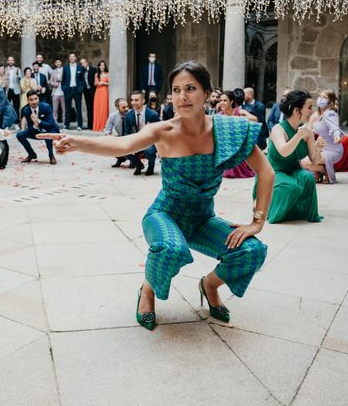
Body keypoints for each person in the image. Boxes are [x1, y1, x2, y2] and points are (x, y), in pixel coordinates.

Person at [37, 61, 273, 330]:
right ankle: (147, 291)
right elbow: (121, 144)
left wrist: (257, 221)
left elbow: (266, 172)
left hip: (202, 220)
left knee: (251, 251)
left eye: (191, 88)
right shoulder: (163, 130)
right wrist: (78, 141)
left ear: (207, 93)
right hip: (164, 215)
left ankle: (209, 285)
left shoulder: (229, 129)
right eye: (176, 90)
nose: (182, 96)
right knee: (171, 249)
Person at [256, 91, 324, 223]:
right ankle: (269, 209)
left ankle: (299, 211)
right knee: (290, 186)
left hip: (293, 170)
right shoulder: (278, 129)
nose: (312, 111)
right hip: (274, 171)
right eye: (309, 107)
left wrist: (317, 148)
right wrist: (298, 136)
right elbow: (283, 151)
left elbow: (314, 160)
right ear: (297, 110)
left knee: (309, 178)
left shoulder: (307, 131)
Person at [301, 90, 343, 184]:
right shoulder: (317, 115)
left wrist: (337, 135)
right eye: (320, 96)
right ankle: (320, 171)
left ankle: (325, 171)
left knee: (304, 162)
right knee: (303, 158)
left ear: (330, 102)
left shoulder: (330, 114)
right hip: (322, 148)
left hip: (333, 150)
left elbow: (334, 128)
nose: (321, 99)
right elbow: (310, 130)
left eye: (325, 97)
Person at [218, 91, 257, 178]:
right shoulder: (219, 115)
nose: (222, 103)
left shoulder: (239, 111)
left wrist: (239, 118)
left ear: (231, 102)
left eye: (225, 100)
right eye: (220, 100)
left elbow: (255, 119)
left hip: (238, 143)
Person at [17, 90, 60, 165]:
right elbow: (30, 129)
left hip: (50, 130)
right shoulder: (26, 110)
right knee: (19, 135)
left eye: (35, 99)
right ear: (27, 100)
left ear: (38, 99)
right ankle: (31, 154)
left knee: (47, 134)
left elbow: (51, 125)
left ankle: (51, 155)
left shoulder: (46, 107)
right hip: (37, 131)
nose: (34, 102)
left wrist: (38, 121)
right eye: (31, 100)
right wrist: (35, 125)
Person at [124, 90, 160, 176]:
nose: (133, 102)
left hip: (149, 141)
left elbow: (159, 132)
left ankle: (151, 167)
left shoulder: (153, 114)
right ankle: (139, 165)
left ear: (143, 101)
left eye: (136, 100)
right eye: (132, 100)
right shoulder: (128, 115)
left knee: (150, 151)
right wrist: (128, 143)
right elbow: (126, 132)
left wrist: (148, 129)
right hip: (135, 140)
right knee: (123, 149)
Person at [61, 52, 85, 130]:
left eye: (73, 56)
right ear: (69, 59)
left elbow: (82, 80)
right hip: (68, 90)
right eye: (70, 57)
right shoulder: (65, 67)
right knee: (67, 108)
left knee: (79, 108)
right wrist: (64, 89)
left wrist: (80, 89)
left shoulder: (80, 68)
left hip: (77, 90)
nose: (71, 58)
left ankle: (80, 125)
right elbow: (63, 80)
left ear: (75, 58)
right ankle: (66, 125)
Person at [103, 97, 129, 167]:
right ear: (117, 108)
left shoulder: (131, 114)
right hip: (120, 138)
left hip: (131, 138)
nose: (126, 109)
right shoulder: (113, 116)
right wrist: (109, 137)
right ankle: (120, 158)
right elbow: (107, 129)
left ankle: (133, 161)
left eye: (127, 106)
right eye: (123, 107)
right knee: (108, 144)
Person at [92, 60, 110, 132]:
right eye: (101, 65)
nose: (102, 66)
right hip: (98, 92)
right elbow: (95, 84)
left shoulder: (107, 74)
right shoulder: (96, 74)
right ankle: (97, 126)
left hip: (104, 92)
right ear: (99, 66)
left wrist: (102, 83)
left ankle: (104, 126)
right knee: (98, 108)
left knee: (104, 108)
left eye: (103, 65)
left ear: (105, 66)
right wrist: (102, 83)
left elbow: (109, 83)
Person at [80, 58, 97, 129]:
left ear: (87, 63)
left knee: (94, 107)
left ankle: (94, 124)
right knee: (88, 107)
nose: (83, 64)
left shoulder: (93, 69)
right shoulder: (81, 71)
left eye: (84, 63)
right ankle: (90, 125)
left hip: (93, 91)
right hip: (86, 91)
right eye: (81, 63)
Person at [4, 56, 22, 121]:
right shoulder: (5, 69)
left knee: (16, 106)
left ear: (13, 62)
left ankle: (16, 121)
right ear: (7, 62)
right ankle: (8, 120)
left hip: (16, 90)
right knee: (8, 106)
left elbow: (20, 79)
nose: (10, 61)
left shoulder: (17, 69)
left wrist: (17, 74)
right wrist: (7, 75)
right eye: (9, 60)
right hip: (8, 90)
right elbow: (3, 79)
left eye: (12, 60)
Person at [50, 59, 65, 123]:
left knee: (64, 109)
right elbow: (50, 81)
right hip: (55, 92)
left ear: (61, 62)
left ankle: (65, 123)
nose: (58, 63)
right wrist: (55, 84)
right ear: (55, 64)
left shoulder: (65, 70)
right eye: (56, 62)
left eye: (59, 62)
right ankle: (55, 122)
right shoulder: (53, 71)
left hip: (63, 92)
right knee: (55, 109)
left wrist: (62, 80)